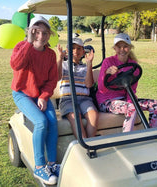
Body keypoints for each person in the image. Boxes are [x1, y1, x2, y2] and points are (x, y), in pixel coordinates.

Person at [9, 15, 59, 185]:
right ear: (30, 32)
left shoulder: (51, 54)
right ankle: (39, 166)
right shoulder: (22, 47)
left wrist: (44, 96)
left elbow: (52, 80)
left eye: (45, 33)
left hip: (40, 95)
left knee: (53, 121)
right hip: (22, 94)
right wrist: (28, 43)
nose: (41, 36)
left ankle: (52, 163)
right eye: (36, 32)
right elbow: (16, 65)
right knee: (41, 122)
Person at [96, 33, 157, 132]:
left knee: (155, 105)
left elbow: (132, 89)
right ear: (114, 48)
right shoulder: (108, 62)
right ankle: (127, 138)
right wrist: (106, 73)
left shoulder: (133, 65)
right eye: (119, 47)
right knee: (132, 108)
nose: (122, 50)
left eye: (125, 46)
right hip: (106, 101)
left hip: (124, 99)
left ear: (130, 48)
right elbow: (101, 89)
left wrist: (131, 102)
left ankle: (152, 133)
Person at [56, 37, 99, 138]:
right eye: (72, 48)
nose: (75, 51)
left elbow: (88, 84)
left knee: (94, 115)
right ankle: (84, 146)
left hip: (84, 99)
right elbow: (57, 77)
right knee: (75, 117)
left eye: (79, 48)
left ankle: (90, 143)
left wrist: (89, 64)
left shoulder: (85, 67)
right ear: (67, 51)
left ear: (83, 52)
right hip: (68, 99)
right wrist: (60, 58)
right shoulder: (63, 65)